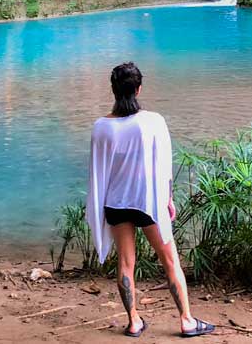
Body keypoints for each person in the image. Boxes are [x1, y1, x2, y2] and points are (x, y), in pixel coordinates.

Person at [86, 62, 215, 338]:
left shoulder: (101, 127)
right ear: (139, 88)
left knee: (125, 263)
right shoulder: (152, 121)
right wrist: (168, 198)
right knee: (170, 261)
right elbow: (164, 164)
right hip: (148, 201)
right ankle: (187, 320)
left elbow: (97, 170)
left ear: (113, 89)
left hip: (116, 203)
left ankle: (133, 321)